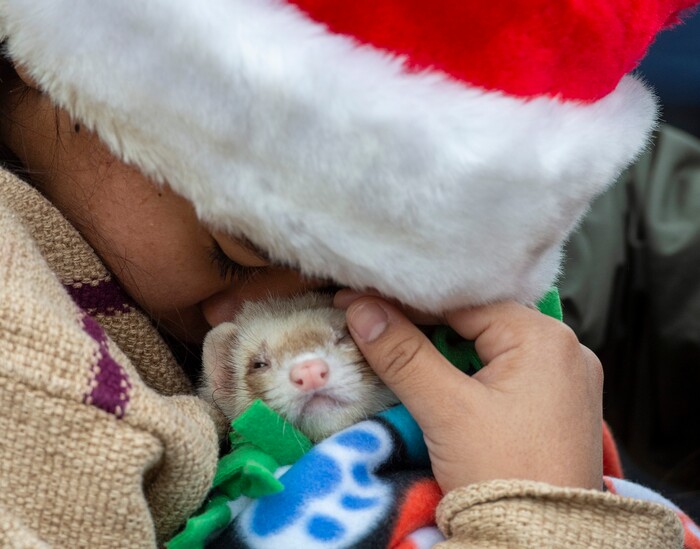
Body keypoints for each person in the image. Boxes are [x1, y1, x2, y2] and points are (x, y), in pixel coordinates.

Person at [0, 1, 698, 548]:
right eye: (238, 250)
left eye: (372, 269)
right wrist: (544, 516)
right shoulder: (38, 383)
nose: (322, 297)